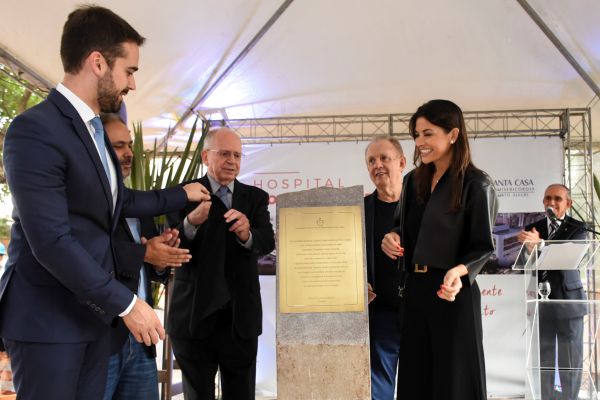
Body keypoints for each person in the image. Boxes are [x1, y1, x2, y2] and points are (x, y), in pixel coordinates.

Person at [0, 6, 209, 400]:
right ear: (98, 62)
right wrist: (128, 304)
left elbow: (119, 200)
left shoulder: (94, 132)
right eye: (129, 70)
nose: (131, 84)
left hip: (93, 320)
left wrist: (183, 193)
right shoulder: (35, 130)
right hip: (48, 323)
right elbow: (51, 241)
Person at [382, 99, 498, 400]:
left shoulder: (477, 184)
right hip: (415, 292)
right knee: (416, 379)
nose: (420, 142)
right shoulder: (411, 182)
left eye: (428, 133)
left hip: (453, 294)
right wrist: (392, 238)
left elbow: (483, 246)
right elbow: (401, 228)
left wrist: (460, 272)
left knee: (455, 382)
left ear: (454, 135)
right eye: (416, 135)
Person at [168, 127, 275, 399]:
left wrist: (247, 234)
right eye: (224, 153)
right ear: (205, 156)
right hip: (194, 316)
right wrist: (191, 222)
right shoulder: (183, 193)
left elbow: (266, 242)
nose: (232, 161)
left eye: (237, 155)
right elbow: (169, 247)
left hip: (239, 319)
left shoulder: (255, 198)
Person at [101, 113, 190, 399]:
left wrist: (161, 256)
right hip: (103, 338)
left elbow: (150, 270)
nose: (128, 154)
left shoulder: (141, 204)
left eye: (129, 145)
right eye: (117, 146)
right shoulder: (87, 203)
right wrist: (144, 253)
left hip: (142, 339)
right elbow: (87, 257)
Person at [517, 184, 587, 400]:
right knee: (544, 358)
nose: (552, 203)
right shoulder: (533, 227)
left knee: (571, 360)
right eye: (547, 198)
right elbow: (522, 264)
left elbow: (569, 254)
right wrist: (529, 251)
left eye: (557, 198)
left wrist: (542, 243)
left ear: (569, 203)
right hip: (541, 300)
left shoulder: (579, 226)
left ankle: (569, 398)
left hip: (569, 300)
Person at [363, 135, 406, 399]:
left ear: (401, 162)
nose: (377, 165)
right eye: (371, 160)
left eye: (384, 158)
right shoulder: (359, 210)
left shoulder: (424, 206)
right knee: (378, 390)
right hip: (379, 315)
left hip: (418, 312)